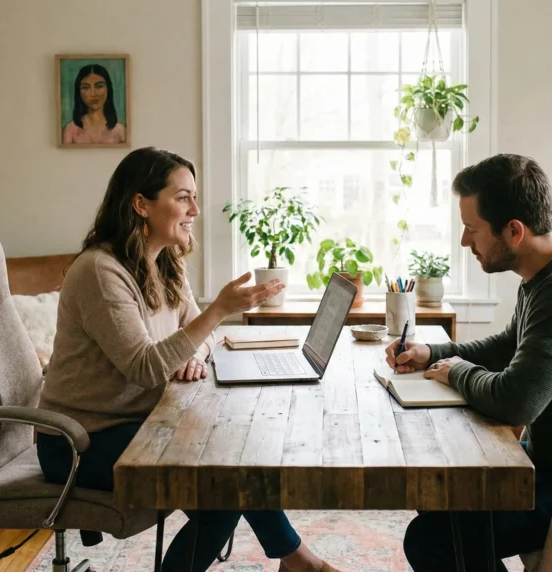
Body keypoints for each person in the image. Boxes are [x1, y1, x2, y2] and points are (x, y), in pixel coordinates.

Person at [36, 147, 338, 572]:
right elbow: (145, 368)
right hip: (81, 442)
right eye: (182, 197)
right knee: (223, 482)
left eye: (193, 197)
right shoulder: (100, 272)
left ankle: (297, 561)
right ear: (141, 204)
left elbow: (199, 334)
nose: (195, 209)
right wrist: (218, 310)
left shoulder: (165, 262)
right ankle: (299, 561)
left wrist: (194, 352)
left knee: (229, 471)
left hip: (139, 423)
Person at [388, 154, 552, 570]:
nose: (465, 241)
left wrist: (457, 371)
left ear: (514, 231)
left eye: (472, 229)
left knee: (432, 539)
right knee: (440, 496)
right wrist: (433, 353)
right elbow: (507, 347)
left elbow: (516, 401)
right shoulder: (545, 276)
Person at [62, 64, 127, 145]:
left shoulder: (120, 130)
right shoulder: (70, 129)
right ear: (79, 92)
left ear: (108, 89)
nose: (93, 94)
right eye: (86, 87)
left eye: (99, 86)